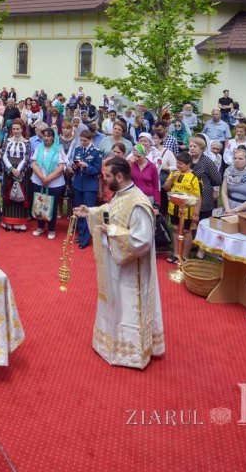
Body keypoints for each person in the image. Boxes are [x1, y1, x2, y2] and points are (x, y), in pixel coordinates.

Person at [74, 157, 163, 368]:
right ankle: (110, 343)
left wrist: (112, 231)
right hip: (115, 264)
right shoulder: (122, 195)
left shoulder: (139, 203)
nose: (104, 180)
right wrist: (91, 212)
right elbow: (112, 212)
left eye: (107, 176)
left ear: (120, 176)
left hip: (132, 272)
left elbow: (142, 240)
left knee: (126, 307)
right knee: (114, 302)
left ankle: (129, 353)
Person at [30, 127, 67, 239]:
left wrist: (48, 179)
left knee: (51, 205)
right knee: (39, 203)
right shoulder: (39, 147)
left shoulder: (59, 149)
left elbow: (62, 166)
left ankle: (51, 229)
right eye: (45, 135)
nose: (46, 138)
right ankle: (40, 227)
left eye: (49, 135)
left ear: (53, 137)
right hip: (38, 180)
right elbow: (34, 163)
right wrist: (42, 177)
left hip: (54, 183)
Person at [70, 130, 103, 249]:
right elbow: (74, 167)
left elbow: (98, 170)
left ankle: (85, 238)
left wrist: (87, 166)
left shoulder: (96, 152)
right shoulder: (78, 149)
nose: (83, 142)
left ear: (91, 140)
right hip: (78, 184)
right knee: (79, 211)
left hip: (90, 186)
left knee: (87, 212)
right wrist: (74, 166)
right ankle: (81, 234)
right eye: (81, 140)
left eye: (85, 140)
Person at [1, 120, 31, 232]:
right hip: (9, 170)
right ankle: (8, 221)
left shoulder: (27, 142)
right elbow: (3, 155)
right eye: (14, 129)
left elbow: (26, 157)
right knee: (8, 194)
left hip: (21, 171)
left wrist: (18, 170)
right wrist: (11, 168)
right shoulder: (7, 141)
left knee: (20, 195)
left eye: (18, 129)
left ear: (22, 129)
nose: (16, 131)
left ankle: (20, 223)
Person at [220, 148, 246, 214]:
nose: (237, 160)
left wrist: (235, 210)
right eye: (235, 158)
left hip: (245, 209)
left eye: (240, 159)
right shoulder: (229, 171)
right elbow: (223, 192)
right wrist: (227, 209)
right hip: (228, 207)